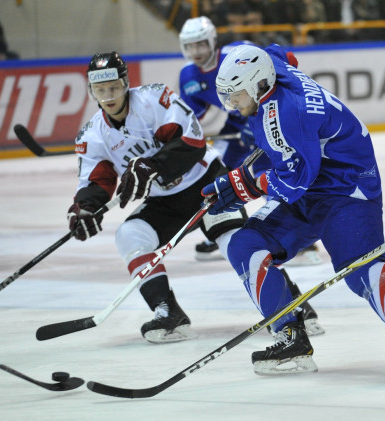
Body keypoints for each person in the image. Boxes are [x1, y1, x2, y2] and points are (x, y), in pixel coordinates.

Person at [202, 44, 385, 382]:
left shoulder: (286, 115)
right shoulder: (270, 69)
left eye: (239, 96)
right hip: (314, 184)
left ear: (260, 85)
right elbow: (280, 52)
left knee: (361, 271)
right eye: (230, 97)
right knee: (245, 245)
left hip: (346, 190)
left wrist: (246, 183)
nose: (234, 105)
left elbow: (293, 183)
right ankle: (291, 337)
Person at [68, 51, 252, 343]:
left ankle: (289, 304)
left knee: (235, 242)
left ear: (126, 83)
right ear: (92, 91)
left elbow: (191, 142)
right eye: (101, 90)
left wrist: (153, 166)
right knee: (130, 234)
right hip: (165, 202)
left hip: (207, 183)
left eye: (114, 87)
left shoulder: (156, 99)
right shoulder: (93, 135)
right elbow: (97, 180)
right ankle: (168, 312)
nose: (109, 96)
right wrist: (85, 208)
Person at [177, 16, 325, 268]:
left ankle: (299, 238)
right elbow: (190, 118)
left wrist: (260, 122)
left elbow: (277, 80)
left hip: (268, 116)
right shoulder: (188, 75)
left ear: (213, 41)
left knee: (278, 171)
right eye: (190, 46)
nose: (196, 52)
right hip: (238, 124)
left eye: (201, 44)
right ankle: (224, 228)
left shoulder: (237, 54)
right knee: (218, 173)